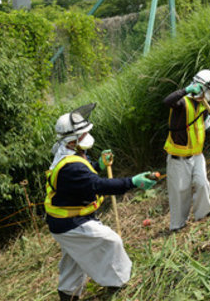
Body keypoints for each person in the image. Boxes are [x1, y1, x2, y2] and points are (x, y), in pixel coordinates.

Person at [45, 103, 157, 301]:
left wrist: (99, 164)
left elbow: (86, 170)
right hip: (71, 223)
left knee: (74, 261)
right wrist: (133, 182)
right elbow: (98, 185)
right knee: (111, 241)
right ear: (71, 140)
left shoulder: (72, 154)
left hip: (66, 220)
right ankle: (119, 284)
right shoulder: (70, 167)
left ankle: (68, 294)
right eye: (82, 135)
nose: (86, 136)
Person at [163, 69, 210, 232]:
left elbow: (201, 128)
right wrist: (186, 90)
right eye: (209, 91)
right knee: (180, 193)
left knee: (203, 183)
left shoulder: (203, 106)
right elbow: (167, 101)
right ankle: (178, 225)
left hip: (196, 155)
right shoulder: (182, 103)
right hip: (178, 158)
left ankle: (204, 212)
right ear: (199, 86)